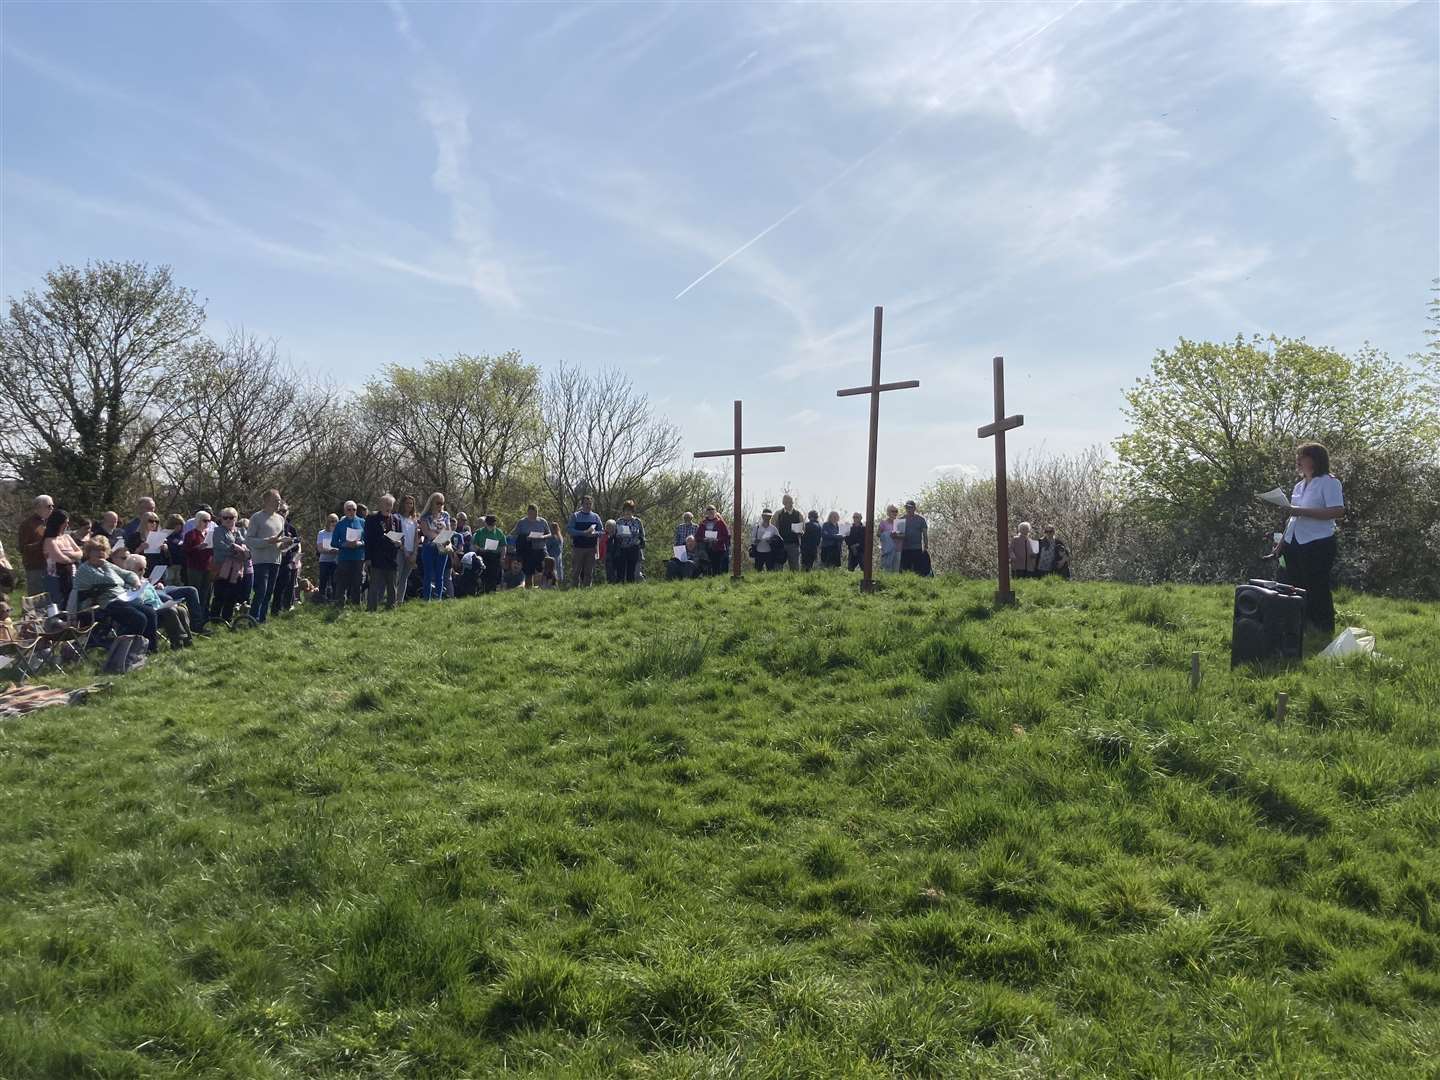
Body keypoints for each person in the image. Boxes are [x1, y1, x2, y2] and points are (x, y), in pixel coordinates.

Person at [1273, 441, 1345, 636]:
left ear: (1314, 459)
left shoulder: (1329, 482)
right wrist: (1281, 543)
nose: (1298, 460)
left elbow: (1337, 511)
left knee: (1317, 586)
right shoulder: (1298, 485)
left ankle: (1323, 628)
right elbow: (1293, 517)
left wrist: (1299, 511)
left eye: (1302, 456)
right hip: (1294, 542)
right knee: (1295, 585)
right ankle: (1302, 625)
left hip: (1318, 543)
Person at [74, 535, 159, 654]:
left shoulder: (107, 565)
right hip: (105, 603)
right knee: (139, 619)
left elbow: (128, 574)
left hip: (123, 598)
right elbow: (104, 581)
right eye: (96, 550)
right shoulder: (85, 569)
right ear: (89, 552)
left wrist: (135, 581)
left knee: (150, 612)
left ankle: (150, 650)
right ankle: (124, 651)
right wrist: (71, 616)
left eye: (103, 550)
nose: (100, 553)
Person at [364, 494, 405, 611]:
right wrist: (368, 558)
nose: (389, 507)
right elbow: (368, 539)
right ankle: (371, 608)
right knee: (374, 585)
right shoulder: (371, 518)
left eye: (391, 505)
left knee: (392, 585)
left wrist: (400, 543)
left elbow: (401, 536)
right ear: (380, 505)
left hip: (392, 557)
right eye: (386, 504)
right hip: (377, 556)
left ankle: (391, 607)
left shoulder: (396, 520)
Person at [210, 508, 251, 622]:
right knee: (220, 595)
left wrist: (241, 550)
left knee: (233, 596)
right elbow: (221, 547)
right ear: (221, 519)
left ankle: (227, 619)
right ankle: (214, 620)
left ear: (236, 518)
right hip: (222, 568)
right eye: (225, 517)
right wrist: (238, 549)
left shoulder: (242, 531)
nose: (228, 520)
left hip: (237, 569)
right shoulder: (218, 531)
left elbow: (248, 549)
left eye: (231, 517)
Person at [42, 509, 84, 605]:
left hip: (73, 575)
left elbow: (80, 553)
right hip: (56, 579)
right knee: (59, 603)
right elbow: (60, 558)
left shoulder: (67, 537)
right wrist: (73, 557)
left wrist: (67, 554)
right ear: (58, 523)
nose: (67, 525)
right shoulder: (49, 540)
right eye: (65, 523)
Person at [416, 492, 452, 601]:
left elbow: (449, 530)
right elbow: (426, 532)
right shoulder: (425, 517)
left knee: (440, 575)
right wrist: (439, 537)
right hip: (429, 547)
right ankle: (427, 599)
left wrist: (445, 540)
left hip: (443, 547)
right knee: (428, 574)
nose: (440, 505)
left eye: (442, 503)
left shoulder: (446, 515)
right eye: (438, 503)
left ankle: (438, 599)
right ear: (432, 503)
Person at [18, 494, 54, 598]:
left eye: (52, 505)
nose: (52, 508)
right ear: (38, 507)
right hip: (35, 567)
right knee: (37, 598)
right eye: (48, 506)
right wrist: (43, 543)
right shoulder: (27, 524)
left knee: (52, 599)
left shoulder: (51, 522)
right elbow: (23, 548)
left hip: (52, 565)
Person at [511, 504, 550, 587]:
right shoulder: (522, 522)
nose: (532, 515)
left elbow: (549, 534)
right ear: (527, 513)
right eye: (530, 513)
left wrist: (543, 536)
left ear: (537, 513)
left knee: (546, 567)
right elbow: (513, 533)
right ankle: (528, 590)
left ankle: (546, 587)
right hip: (528, 550)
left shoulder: (542, 521)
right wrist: (525, 537)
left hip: (541, 548)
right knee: (529, 572)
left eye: (534, 513)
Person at [568, 496, 603, 587]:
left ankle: (587, 589)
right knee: (576, 571)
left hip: (591, 548)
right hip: (578, 548)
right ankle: (574, 589)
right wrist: (583, 533)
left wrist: (594, 534)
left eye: (590, 504)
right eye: (586, 503)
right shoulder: (575, 516)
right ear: (582, 504)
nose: (588, 505)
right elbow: (570, 530)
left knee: (589, 571)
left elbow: (601, 531)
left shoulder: (595, 517)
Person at [613, 501, 646, 583]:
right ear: (623, 511)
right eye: (626, 510)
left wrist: (641, 542)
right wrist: (619, 536)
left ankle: (630, 587)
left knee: (631, 570)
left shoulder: (637, 521)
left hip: (633, 548)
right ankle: (620, 586)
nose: (628, 512)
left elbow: (642, 534)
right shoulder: (619, 521)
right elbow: (615, 534)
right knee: (621, 570)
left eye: (630, 510)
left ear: (632, 511)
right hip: (622, 548)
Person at [473, 514, 507, 593]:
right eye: (489, 524)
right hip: (482, 555)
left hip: (495, 557)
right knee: (483, 575)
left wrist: (502, 557)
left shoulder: (499, 532)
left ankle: (492, 591)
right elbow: (474, 545)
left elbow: (504, 546)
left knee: (494, 575)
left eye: (492, 524)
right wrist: (480, 549)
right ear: (486, 523)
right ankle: (482, 590)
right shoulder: (479, 532)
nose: (491, 526)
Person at [396, 494, 420, 602]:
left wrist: (414, 553)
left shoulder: (414, 520)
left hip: (411, 552)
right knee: (397, 576)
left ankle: (400, 601)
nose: (409, 505)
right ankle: (392, 600)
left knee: (404, 578)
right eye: (407, 503)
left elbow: (416, 538)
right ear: (402, 504)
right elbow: (397, 535)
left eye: (411, 503)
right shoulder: (397, 517)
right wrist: (404, 551)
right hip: (400, 551)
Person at [897, 500, 929, 574]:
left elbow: (925, 533)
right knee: (905, 569)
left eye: (910, 507)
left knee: (917, 569)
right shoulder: (900, 520)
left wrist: (926, 546)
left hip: (917, 548)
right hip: (904, 549)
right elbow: (896, 535)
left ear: (914, 508)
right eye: (907, 507)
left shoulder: (921, 520)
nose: (908, 509)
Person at [697, 506, 730, 576]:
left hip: (718, 548)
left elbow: (726, 535)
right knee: (707, 568)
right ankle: (708, 583)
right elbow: (697, 536)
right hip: (706, 548)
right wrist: (703, 539)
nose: (710, 511)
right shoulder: (703, 523)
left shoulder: (720, 522)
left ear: (715, 511)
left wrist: (718, 540)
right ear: (706, 512)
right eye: (708, 509)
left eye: (712, 509)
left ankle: (716, 583)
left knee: (717, 568)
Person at [774, 495, 804, 572]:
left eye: (789, 502)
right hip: (780, 544)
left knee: (795, 567)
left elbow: (803, 529)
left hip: (793, 544)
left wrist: (800, 531)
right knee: (778, 566)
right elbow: (773, 527)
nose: (787, 503)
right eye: (785, 502)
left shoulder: (798, 514)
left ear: (792, 502)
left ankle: (795, 582)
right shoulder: (778, 514)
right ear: (783, 503)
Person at [315, 513, 339, 602]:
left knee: (335, 582)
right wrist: (329, 551)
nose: (334, 523)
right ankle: (322, 600)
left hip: (336, 561)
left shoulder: (339, 533)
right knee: (323, 581)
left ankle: (334, 600)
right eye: (332, 521)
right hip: (324, 561)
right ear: (328, 522)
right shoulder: (321, 533)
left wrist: (337, 551)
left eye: (336, 521)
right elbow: (319, 548)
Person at [879, 505, 901, 573]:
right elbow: (878, 534)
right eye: (892, 511)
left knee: (896, 570)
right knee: (887, 569)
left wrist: (897, 535)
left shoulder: (900, 523)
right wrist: (888, 534)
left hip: (898, 549)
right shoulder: (883, 523)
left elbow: (903, 535)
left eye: (896, 511)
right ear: (888, 513)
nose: (894, 513)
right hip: (887, 550)